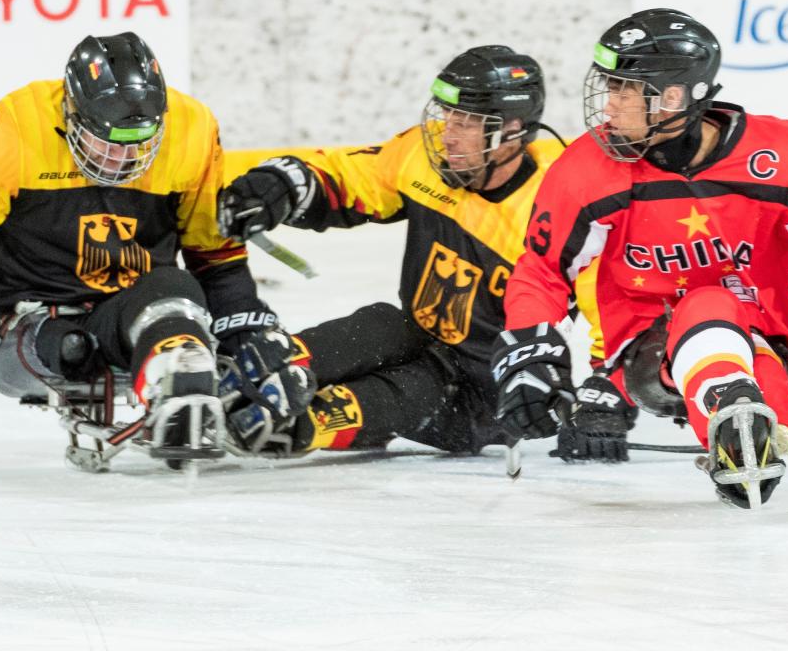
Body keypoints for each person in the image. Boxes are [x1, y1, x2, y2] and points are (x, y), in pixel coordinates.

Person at [491, 9, 788, 508]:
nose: (608, 106)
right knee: (707, 302)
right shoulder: (587, 168)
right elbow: (544, 270)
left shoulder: (775, 155)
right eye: (608, 86)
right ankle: (736, 408)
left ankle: (754, 434)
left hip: (760, 336)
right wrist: (532, 350)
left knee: (766, 402)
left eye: (624, 90)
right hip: (644, 352)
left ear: (674, 98)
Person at [0, 32, 313, 465]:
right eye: (105, 142)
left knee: (175, 288)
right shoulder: (14, 126)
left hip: (129, 310)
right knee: (71, 348)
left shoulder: (192, 128)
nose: (121, 161)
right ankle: (158, 364)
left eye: (138, 142)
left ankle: (173, 381)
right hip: (25, 317)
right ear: (71, 113)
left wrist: (246, 335)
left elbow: (213, 255)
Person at [216, 45, 620, 456]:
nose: (448, 133)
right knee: (379, 324)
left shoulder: (559, 202)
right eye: (447, 115)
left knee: (405, 390)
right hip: (415, 335)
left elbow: (612, 305)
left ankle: (305, 425)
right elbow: (354, 176)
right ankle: (264, 370)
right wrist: (285, 186)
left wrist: (604, 398)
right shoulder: (424, 159)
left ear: (511, 132)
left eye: (466, 122)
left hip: (482, 393)